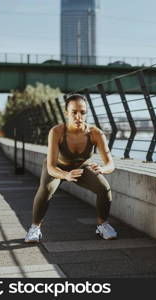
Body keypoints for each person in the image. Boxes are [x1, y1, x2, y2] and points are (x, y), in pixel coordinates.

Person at [24, 94, 116, 243]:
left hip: (82, 168)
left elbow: (111, 164)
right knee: (46, 189)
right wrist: (65, 175)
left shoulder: (96, 134)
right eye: (74, 112)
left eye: (83, 112)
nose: (78, 116)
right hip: (58, 168)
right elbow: (51, 166)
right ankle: (35, 228)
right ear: (66, 113)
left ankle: (102, 225)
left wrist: (103, 169)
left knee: (104, 188)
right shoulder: (57, 132)